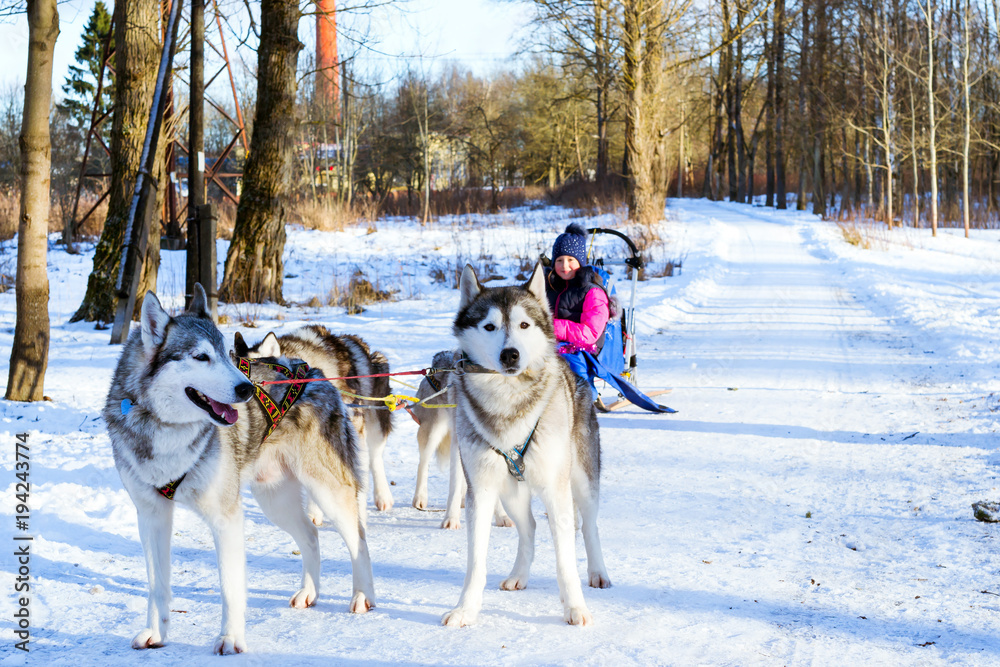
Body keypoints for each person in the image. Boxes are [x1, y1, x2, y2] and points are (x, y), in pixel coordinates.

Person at [545, 223, 675, 414]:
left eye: (571, 259)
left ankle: (585, 395)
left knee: (569, 358)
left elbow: (589, 334)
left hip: (589, 348)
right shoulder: (548, 286)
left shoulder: (592, 292)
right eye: (559, 260)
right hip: (554, 342)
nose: (564, 266)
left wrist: (551, 327)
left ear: (581, 261)